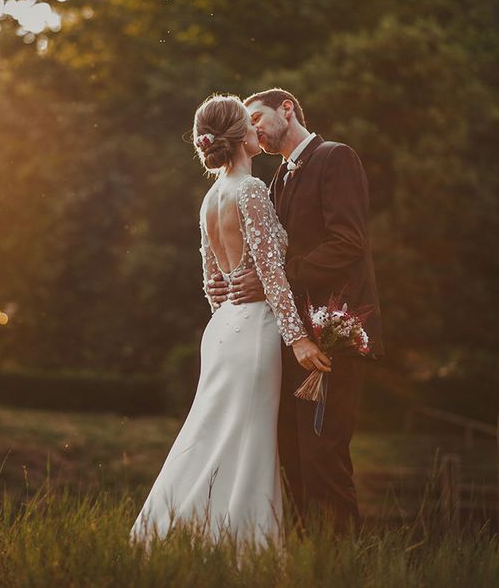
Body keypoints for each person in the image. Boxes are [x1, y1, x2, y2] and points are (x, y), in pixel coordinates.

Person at [130, 94, 330, 546]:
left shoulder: (210, 197)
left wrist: (231, 306)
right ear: (240, 135)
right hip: (256, 330)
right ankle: (244, 546)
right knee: (249, 441)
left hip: (222, 330)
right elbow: (272, 273)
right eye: (251, 122)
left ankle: (181, 534)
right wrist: (298, 338)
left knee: (211, 433)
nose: (259, 130)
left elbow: (212, 284)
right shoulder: (251, 189)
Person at [206, 88, 386, 534]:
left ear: (287, 108)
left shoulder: (335, 158)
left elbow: (349, 243)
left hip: (333, 334)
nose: (254, 128)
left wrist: (278, 277)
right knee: (291, 458)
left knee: (324, 458)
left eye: (258, 116)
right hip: (284, 337)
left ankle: (340, 562)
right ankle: (308, 560)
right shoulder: (274, 181)